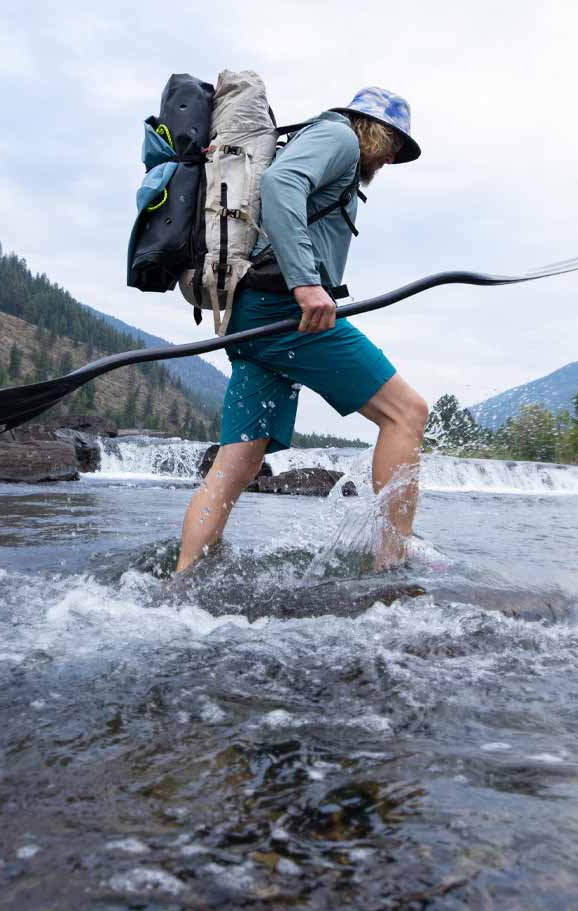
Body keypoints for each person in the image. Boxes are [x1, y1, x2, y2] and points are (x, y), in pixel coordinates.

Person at [176, 86, 428, 574]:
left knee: (239, 462)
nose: (393, 158)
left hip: (251, 317)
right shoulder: (340, 137)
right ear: (375, 128)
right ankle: (392, 563)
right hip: (283, 312)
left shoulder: (324, 143)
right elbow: (280, 185)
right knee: (407, 413)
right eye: (395, 143)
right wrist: (308, 284)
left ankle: (183, 580)